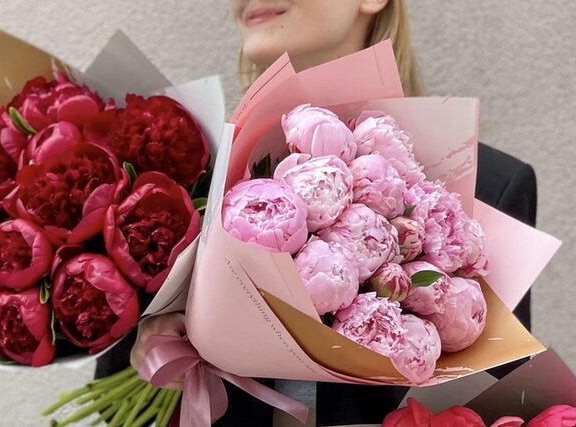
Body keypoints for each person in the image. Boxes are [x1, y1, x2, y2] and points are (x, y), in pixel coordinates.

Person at [96, 0, 537, 425]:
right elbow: (114, 406)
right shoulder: (190, 178)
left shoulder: (486, 189)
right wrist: (152, 354)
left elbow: (491, 405)